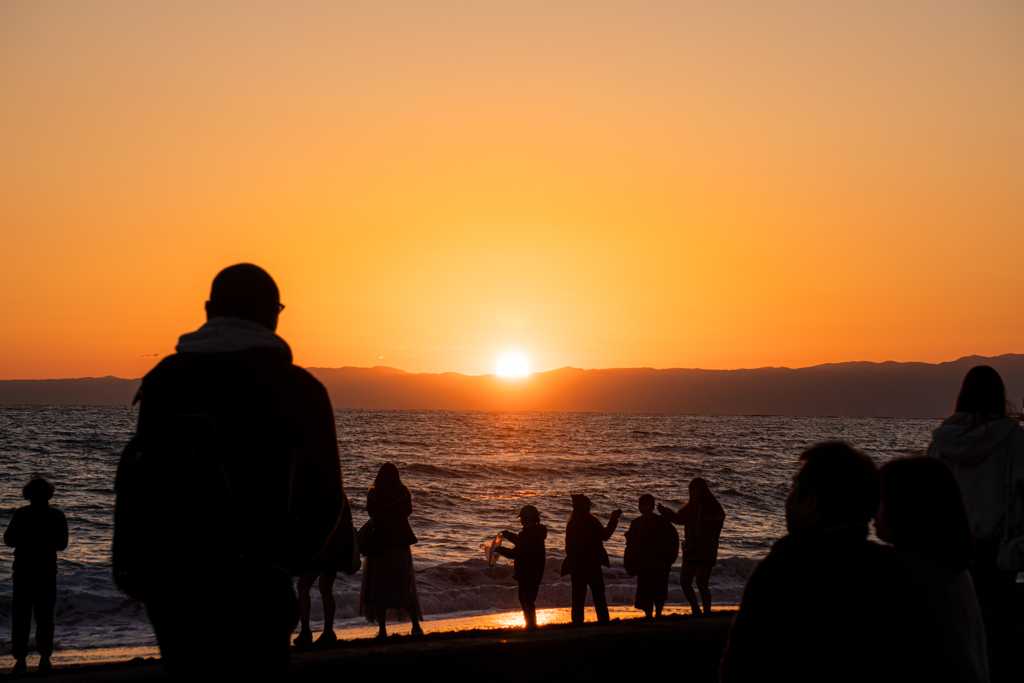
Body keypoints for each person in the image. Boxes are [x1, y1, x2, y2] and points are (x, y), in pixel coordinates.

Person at [126, 264, 344, 680]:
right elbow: (325, 501)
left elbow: (146, 486)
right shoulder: (299, 388)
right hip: (257, 582)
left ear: (208, 309)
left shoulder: (162, 381)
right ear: (272, 314)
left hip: (174, 585)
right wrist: (284, 563)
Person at [719, 441, 919, 683]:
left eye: (792, 490)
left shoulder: (784, 568)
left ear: (810, 504)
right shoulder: (890, 566)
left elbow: (740, 666)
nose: (786, 500)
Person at [926, 365, 1024, 682]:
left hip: (950, 543)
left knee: (956, 614)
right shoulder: (1014, 438)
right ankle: (993, 673)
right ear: (999, 397)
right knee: (1003, 614)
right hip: (1000, 543)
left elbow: (927, 489)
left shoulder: (943, 438)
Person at [875, 456, 988, 683]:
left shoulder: (907, 571)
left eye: (880, 499)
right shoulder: (951, 568)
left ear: (904, 506)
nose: (872, 512)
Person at [4, 477, 69, 675]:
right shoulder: (57, 516)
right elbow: (62, 544)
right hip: (47, 572)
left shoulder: (21, 513)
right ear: (49, 495)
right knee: (45, 617)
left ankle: (21, 660)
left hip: (23, 572)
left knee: (21, 617)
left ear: (28, 495)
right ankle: (44, 659)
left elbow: (9, 540)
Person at [358, 463, 423, 639]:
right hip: (401, 546)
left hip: (380, 546)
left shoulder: (373, 493)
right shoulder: (404, 493)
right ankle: (416, 625)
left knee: (379, 587)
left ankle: (383, 630)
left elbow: (372, 514)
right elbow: (408, 512)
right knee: (404, 585)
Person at [295, 492, 356, 649]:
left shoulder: (318, 492)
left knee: (303, 586)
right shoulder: (340, 494)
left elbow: (310, 522)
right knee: (326, 589)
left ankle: (305, 631)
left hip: (321, 548)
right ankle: (328, 631)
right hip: (336, 549)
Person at [658, 478, 725, 615]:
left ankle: (707, 613)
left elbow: (720, 521)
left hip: (705, 551)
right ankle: (695, 609)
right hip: (690, 549)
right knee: (684, 582)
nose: (693, 493)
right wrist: (665, 512)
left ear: (702, 490)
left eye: (696, 490)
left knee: (701, 584)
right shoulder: (690, 507)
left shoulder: (713, 506)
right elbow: (679, 519)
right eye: (691, 491)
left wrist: (706, 521)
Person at [561, 494, 622, 625]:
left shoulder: (571, 523)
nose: (590, 507)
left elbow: (568, 547)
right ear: (584, 506)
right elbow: (605, 535)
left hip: (577, 566)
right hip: (592, 565)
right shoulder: (591, 520)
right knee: (599, 596)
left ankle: (577, 624)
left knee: (577, 598)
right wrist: (613, 519)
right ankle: (604, 621)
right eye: (588, 505)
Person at [624, 494, 678, 618]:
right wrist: (631, 563)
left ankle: (658, 614)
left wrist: (667, 560)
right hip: (643, 563)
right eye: (641, 505)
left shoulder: (662, 522)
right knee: (644, 592)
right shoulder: (636, 523)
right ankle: (648, 616)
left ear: (652, 507)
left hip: (660, 563)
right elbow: (630, 545)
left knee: (659, 591)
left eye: (646, 505)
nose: (643, 508)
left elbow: (673, 540)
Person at [496, 505, 548, 629]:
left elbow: (516, 553)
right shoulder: (537, 532)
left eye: (521, 518)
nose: (520, 520)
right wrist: (509, 535)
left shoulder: (526, 534)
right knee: (529, 600)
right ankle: (531, 626)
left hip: (526, 573)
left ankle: (530, 627)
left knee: (526, 601)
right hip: (537, 572)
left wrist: (500, 549)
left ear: (527, 519)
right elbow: (522, 543)